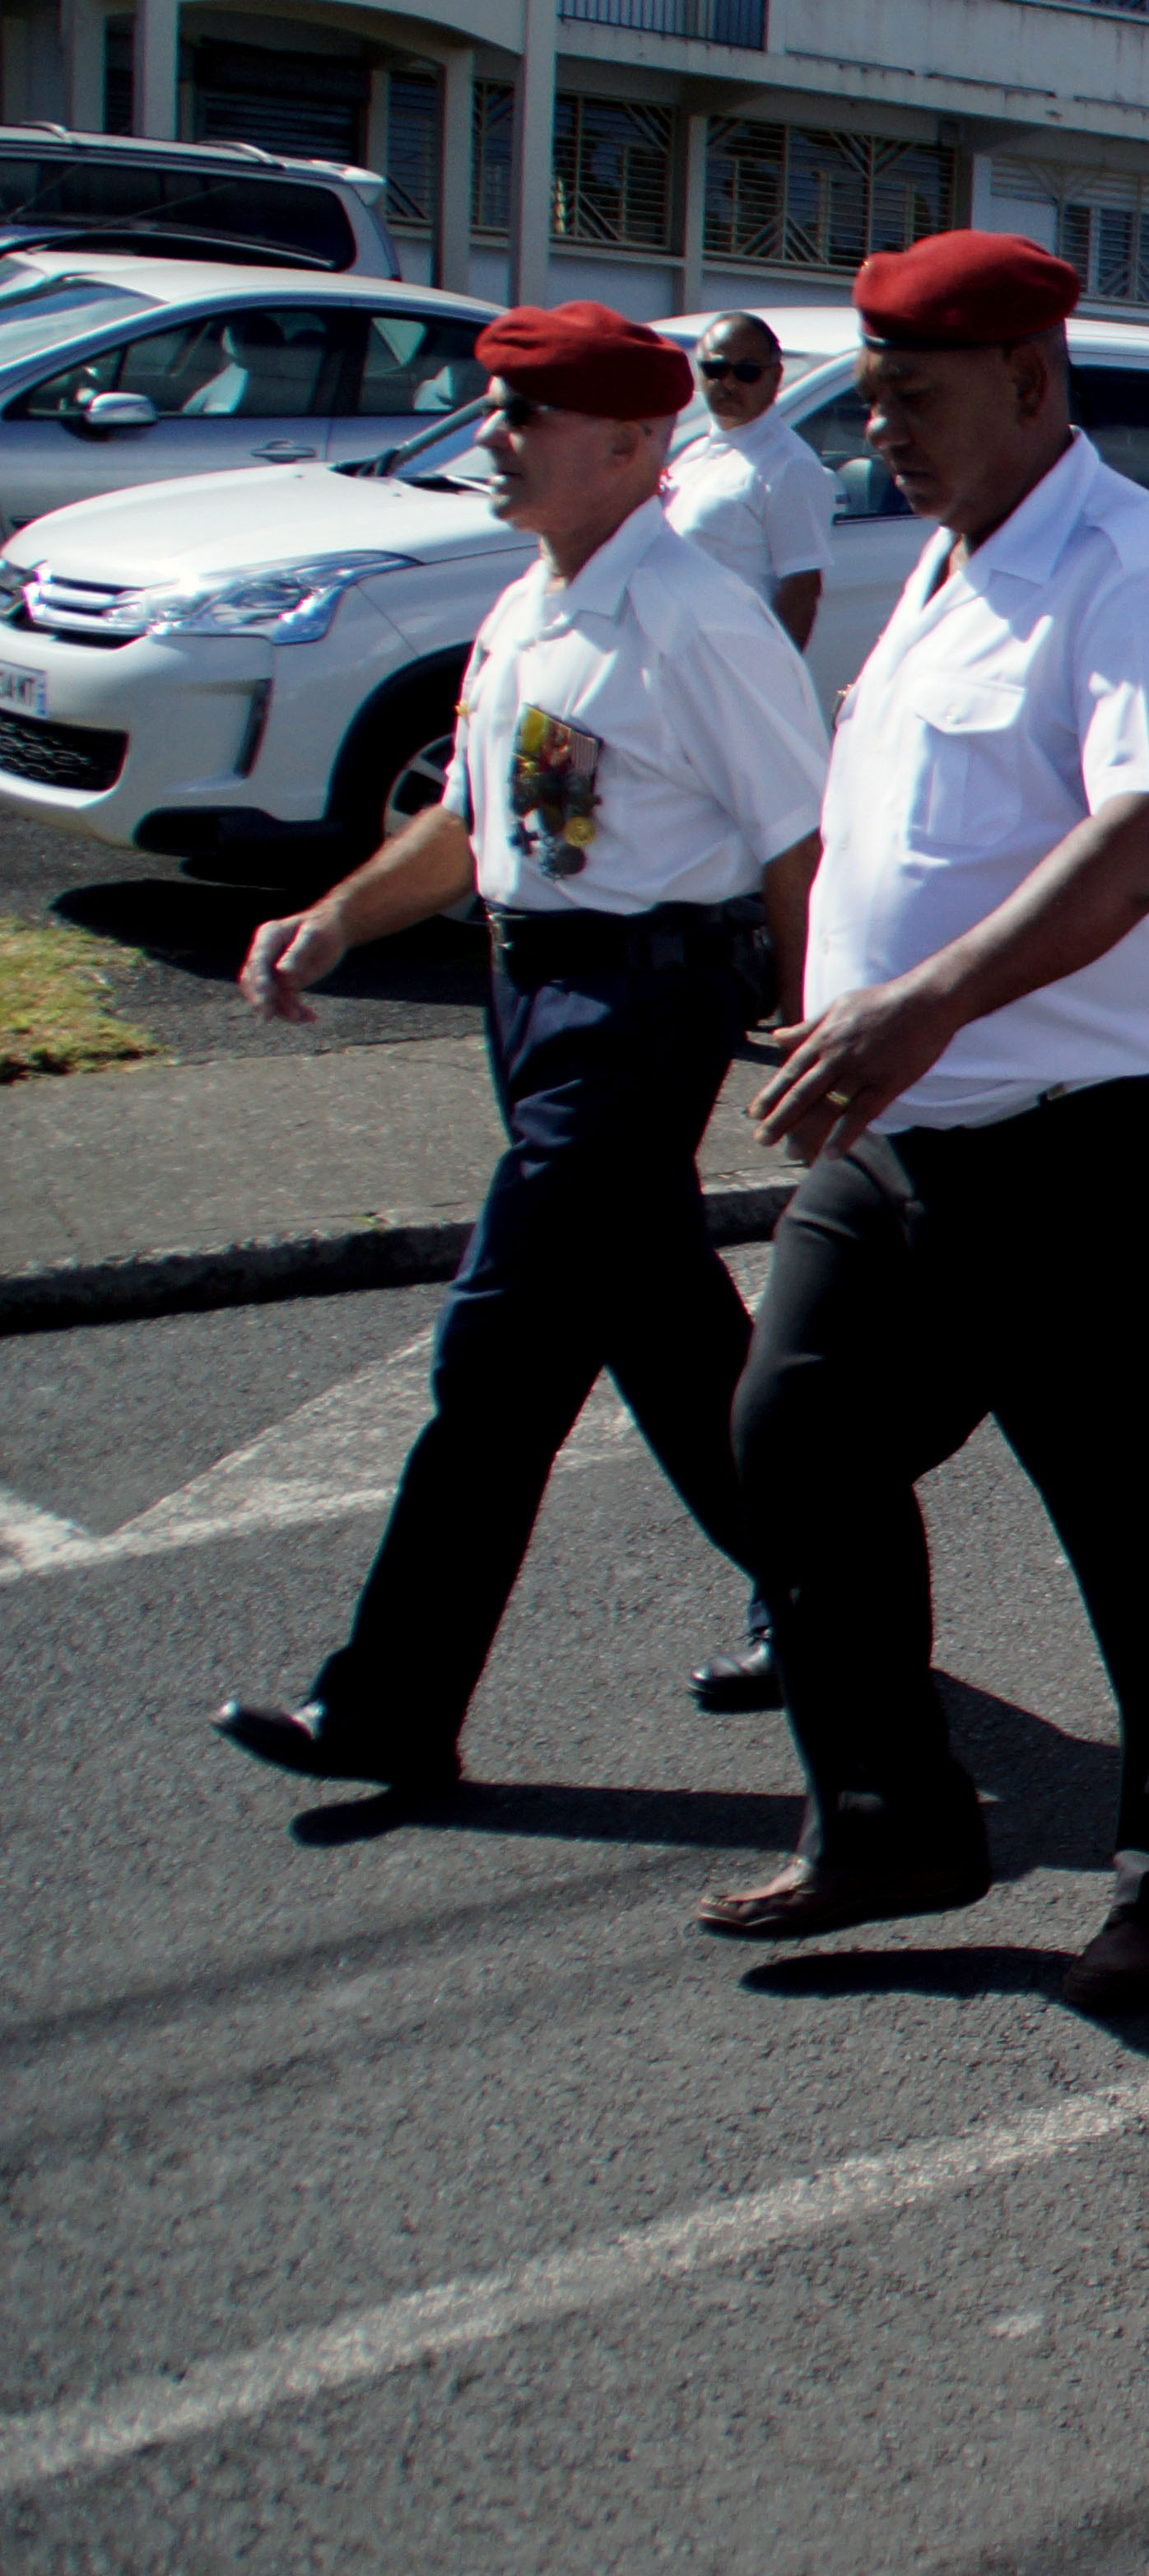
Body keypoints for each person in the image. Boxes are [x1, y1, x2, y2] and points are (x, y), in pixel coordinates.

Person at [699, 231, 1149, 2017]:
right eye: (869, 400)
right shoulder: (945, 567)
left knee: (1122, 1509)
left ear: (1033, 379)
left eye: (916, 399)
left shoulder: (1135, 570)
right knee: (788, 1433)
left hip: (1083, 1130)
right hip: (909, 1125)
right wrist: (842, 1000)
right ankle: (890, 1809)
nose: (883, 433)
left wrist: (918, 996)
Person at [212, 302, 823, 1794]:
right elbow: (477, 824)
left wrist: (821, 1035)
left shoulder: (697, 620)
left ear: (628, 444)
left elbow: (807, 844)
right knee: (671, 1341)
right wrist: (340, 918)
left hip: (642, 1009)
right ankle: (826, 1603)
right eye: (494, 411)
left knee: (497, 1357)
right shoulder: (533, 604)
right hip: (532, 1000)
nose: (491, 438)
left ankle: (390, 1709)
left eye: (520, 418)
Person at [656, 310, 831, 650]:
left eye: (747, 372)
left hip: (729, 665)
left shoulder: (789, 465)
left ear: (775, 376)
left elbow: (801, 591)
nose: (729, 383)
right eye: (715, 369)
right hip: (673, 657)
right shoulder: (692, 456)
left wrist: (772, 682)